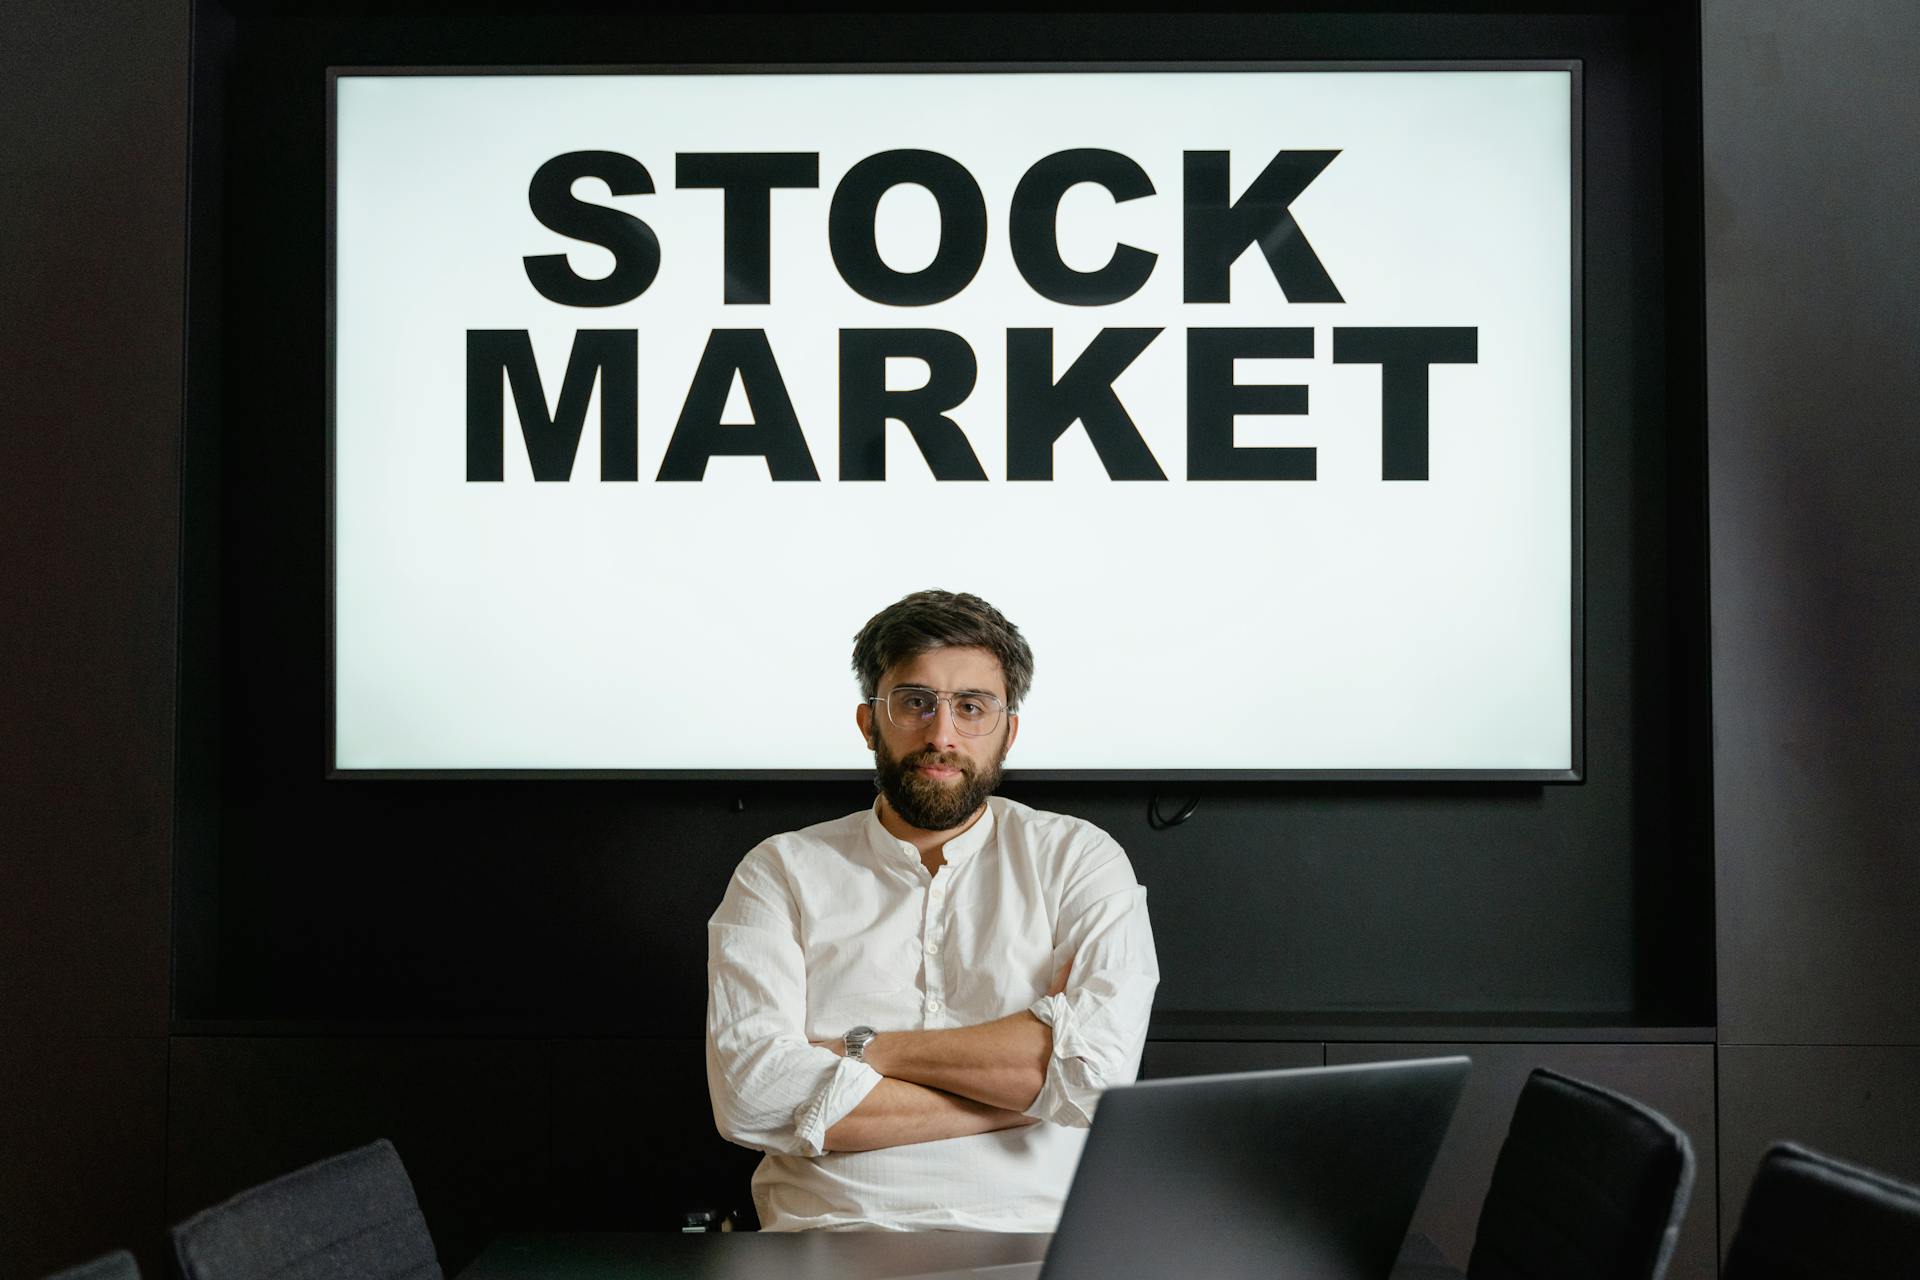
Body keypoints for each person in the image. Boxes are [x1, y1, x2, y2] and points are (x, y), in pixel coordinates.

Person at [705, 589, 1160, 1232]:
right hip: (829, 1239)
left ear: (1009, 730)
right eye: (915, 703)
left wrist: (864, 1050)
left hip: (1040, 1239)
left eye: (972, 707)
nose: (942, 735)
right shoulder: (778, 871)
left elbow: (1099, 1072)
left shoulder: (1079, 860)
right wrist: (1028, 1097)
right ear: (869, 722)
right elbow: (753, 1097)